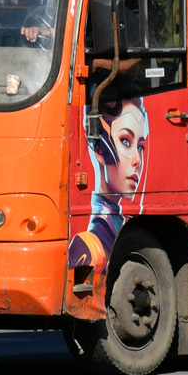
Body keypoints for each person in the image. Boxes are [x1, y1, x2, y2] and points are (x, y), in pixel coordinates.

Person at [67, 97, 149, 272]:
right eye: (125, 141)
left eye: (140, 147)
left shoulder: (119, 225)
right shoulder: (88, 247)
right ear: (99, 149)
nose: (137, 160)